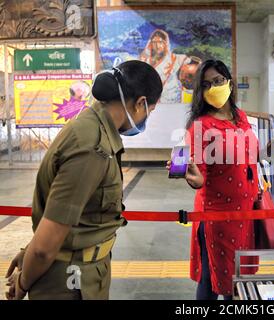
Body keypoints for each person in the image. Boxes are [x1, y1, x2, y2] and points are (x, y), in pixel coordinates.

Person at [5, 60, 163, 300]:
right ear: (141, 103)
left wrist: (29, 252)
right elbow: (45, 247)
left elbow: (73, 217)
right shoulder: (91, 147)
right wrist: (23, 280)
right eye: (150, 111)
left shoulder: (93, 126)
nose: (146, 117)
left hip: (83, 274)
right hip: (70, 283)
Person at [167, 60, 260, 300]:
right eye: (207, 84)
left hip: (246, 212)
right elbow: (200, 179)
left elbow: (250, 153)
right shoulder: (200, 126)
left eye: (218, 80)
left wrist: (272, 150)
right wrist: (191, 176)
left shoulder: (240, 117)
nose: (214, 88)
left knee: (232, 276)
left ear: (228, 80)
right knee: (218, 279)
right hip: (217, 217)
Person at [140, 29, 198, 104]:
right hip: (151, 104)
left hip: (171, 102)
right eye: (154, 42)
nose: (157, 46)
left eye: (160, 42)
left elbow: (195, 65)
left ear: (165, 43)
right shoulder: (145, 61)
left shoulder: (177, 59)